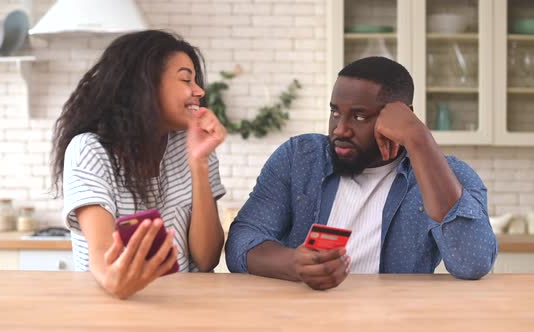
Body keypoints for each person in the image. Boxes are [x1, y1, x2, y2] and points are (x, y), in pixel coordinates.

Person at [225, 56, 497, 290]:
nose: (340, 129)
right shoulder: (299, 158)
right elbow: (241, 242)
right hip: (302, 316)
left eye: (359, 116)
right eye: (335, 113)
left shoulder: (447, 175)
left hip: (395, 321)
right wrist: (294, 264)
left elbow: (473, 263)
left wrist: (419, 139)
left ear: (403, 117)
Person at [51, 30, 227, 299]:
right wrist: (116, 280)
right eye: (186, 79)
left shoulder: (191, 145)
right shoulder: (90, 150)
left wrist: (199, 163)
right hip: (110, 303)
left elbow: (206, 259)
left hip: (185, 305)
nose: (199, 91)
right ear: (145, 85)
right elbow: (101, 255)